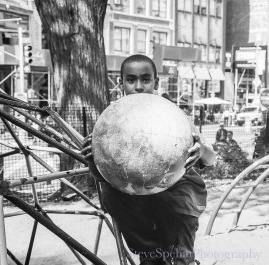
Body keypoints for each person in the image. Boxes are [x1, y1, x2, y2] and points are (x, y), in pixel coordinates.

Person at [81, 54, 216, 265]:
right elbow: (103, 176)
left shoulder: (171, 116)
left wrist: (202, 150)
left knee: (179, 257)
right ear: (121, 83)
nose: (138, 86)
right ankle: (152, 254)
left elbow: (211, 160)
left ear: (156, 82)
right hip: (137, 203)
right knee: (111, 196)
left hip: (177, 200)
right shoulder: (113, 121)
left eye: (146, 79)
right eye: (131, 80)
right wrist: (92, 159)